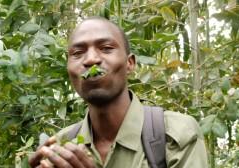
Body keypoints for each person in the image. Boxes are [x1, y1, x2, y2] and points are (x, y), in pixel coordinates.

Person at [29, 16, 208, 168]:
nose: (91, 59)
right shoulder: (62, 145)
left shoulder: (175, 135)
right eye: (77, 53)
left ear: (129, 64)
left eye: (106, 48)